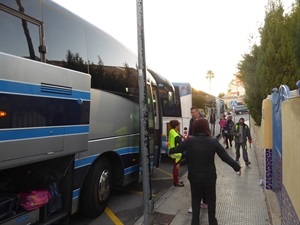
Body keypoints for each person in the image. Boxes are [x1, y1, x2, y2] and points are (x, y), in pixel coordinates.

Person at [169, 119, 241, 225]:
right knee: (211, 200)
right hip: (209, 177)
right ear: (207, 127)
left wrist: (170, 151)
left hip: (194, 177)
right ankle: (212, 221)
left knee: (195, 200)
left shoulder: (190, 141)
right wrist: (237, 167)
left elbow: (179, 149)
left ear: (195, 128)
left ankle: (195, 222)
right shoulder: (213, 141)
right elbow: (225, 157)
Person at [168, 120, 184, 187]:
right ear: (176, 126)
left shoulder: (172, 131)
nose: (179, 126)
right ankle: (176, 182)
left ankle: (176, 180)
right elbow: (181, 144)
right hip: (176, 153)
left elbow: (180, 136)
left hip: (172, 151)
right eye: (178, 125)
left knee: (176, 167)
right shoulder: (175, 135)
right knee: (176, 168)